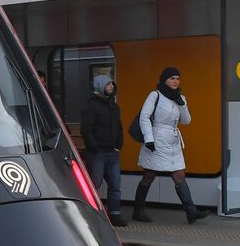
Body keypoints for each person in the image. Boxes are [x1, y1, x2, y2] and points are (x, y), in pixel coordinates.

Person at [132, 67, 209, 224]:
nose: (175, 81)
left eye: (178, 78)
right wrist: (149, 138)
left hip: (173, 141)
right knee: (149, 176)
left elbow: (187, 121)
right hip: (156, 139)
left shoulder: (180, 98)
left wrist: (182, 105)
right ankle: (138, 211)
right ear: (164, 80)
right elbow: (144, 117)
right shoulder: (155, 95)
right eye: (172, 78)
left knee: (179, 174)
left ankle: (191, 211)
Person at [79, 74, 127, 227]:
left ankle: (115, 214)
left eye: (112, 84)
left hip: (112, 152)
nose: (111, 87)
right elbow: (86, 129)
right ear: (100, 86)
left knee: (115, 184)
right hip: (97, 152)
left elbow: (119, 127)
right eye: (108, 85)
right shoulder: (91, 106)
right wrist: (93, 146)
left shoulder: (114, 106)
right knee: (95, 183)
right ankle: (89, 212)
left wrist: (118, 145)